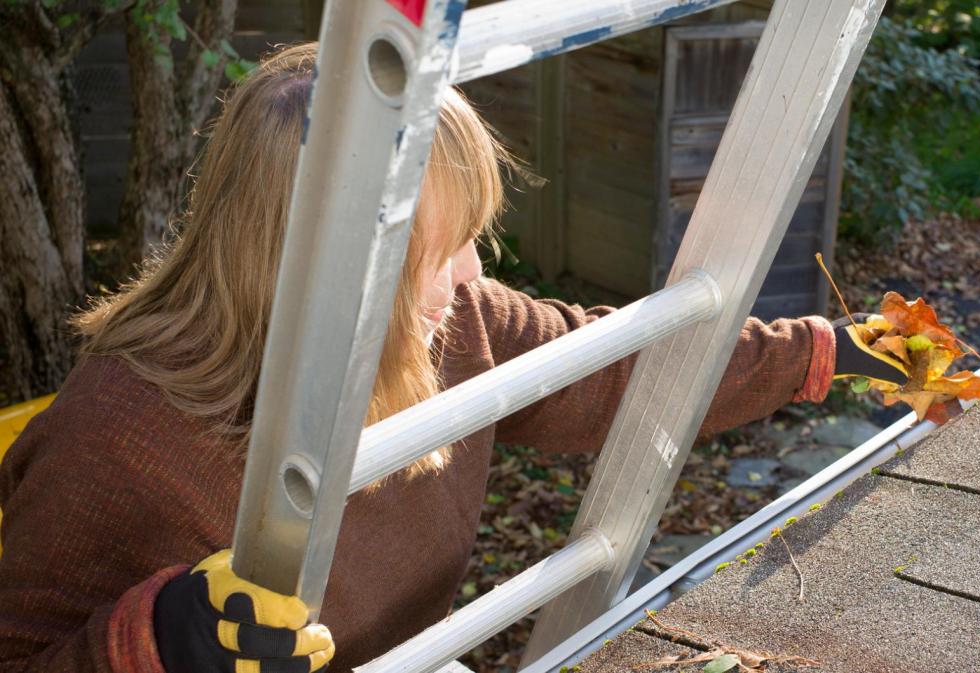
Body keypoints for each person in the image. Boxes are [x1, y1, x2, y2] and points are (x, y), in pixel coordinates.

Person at [0, 43, 905, 673]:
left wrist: (830, 351)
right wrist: (153, 644)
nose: (476, 272)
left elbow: (617, 364)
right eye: (445, 247)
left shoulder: (453, 323)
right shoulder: (116, 439)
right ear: (335, 268)